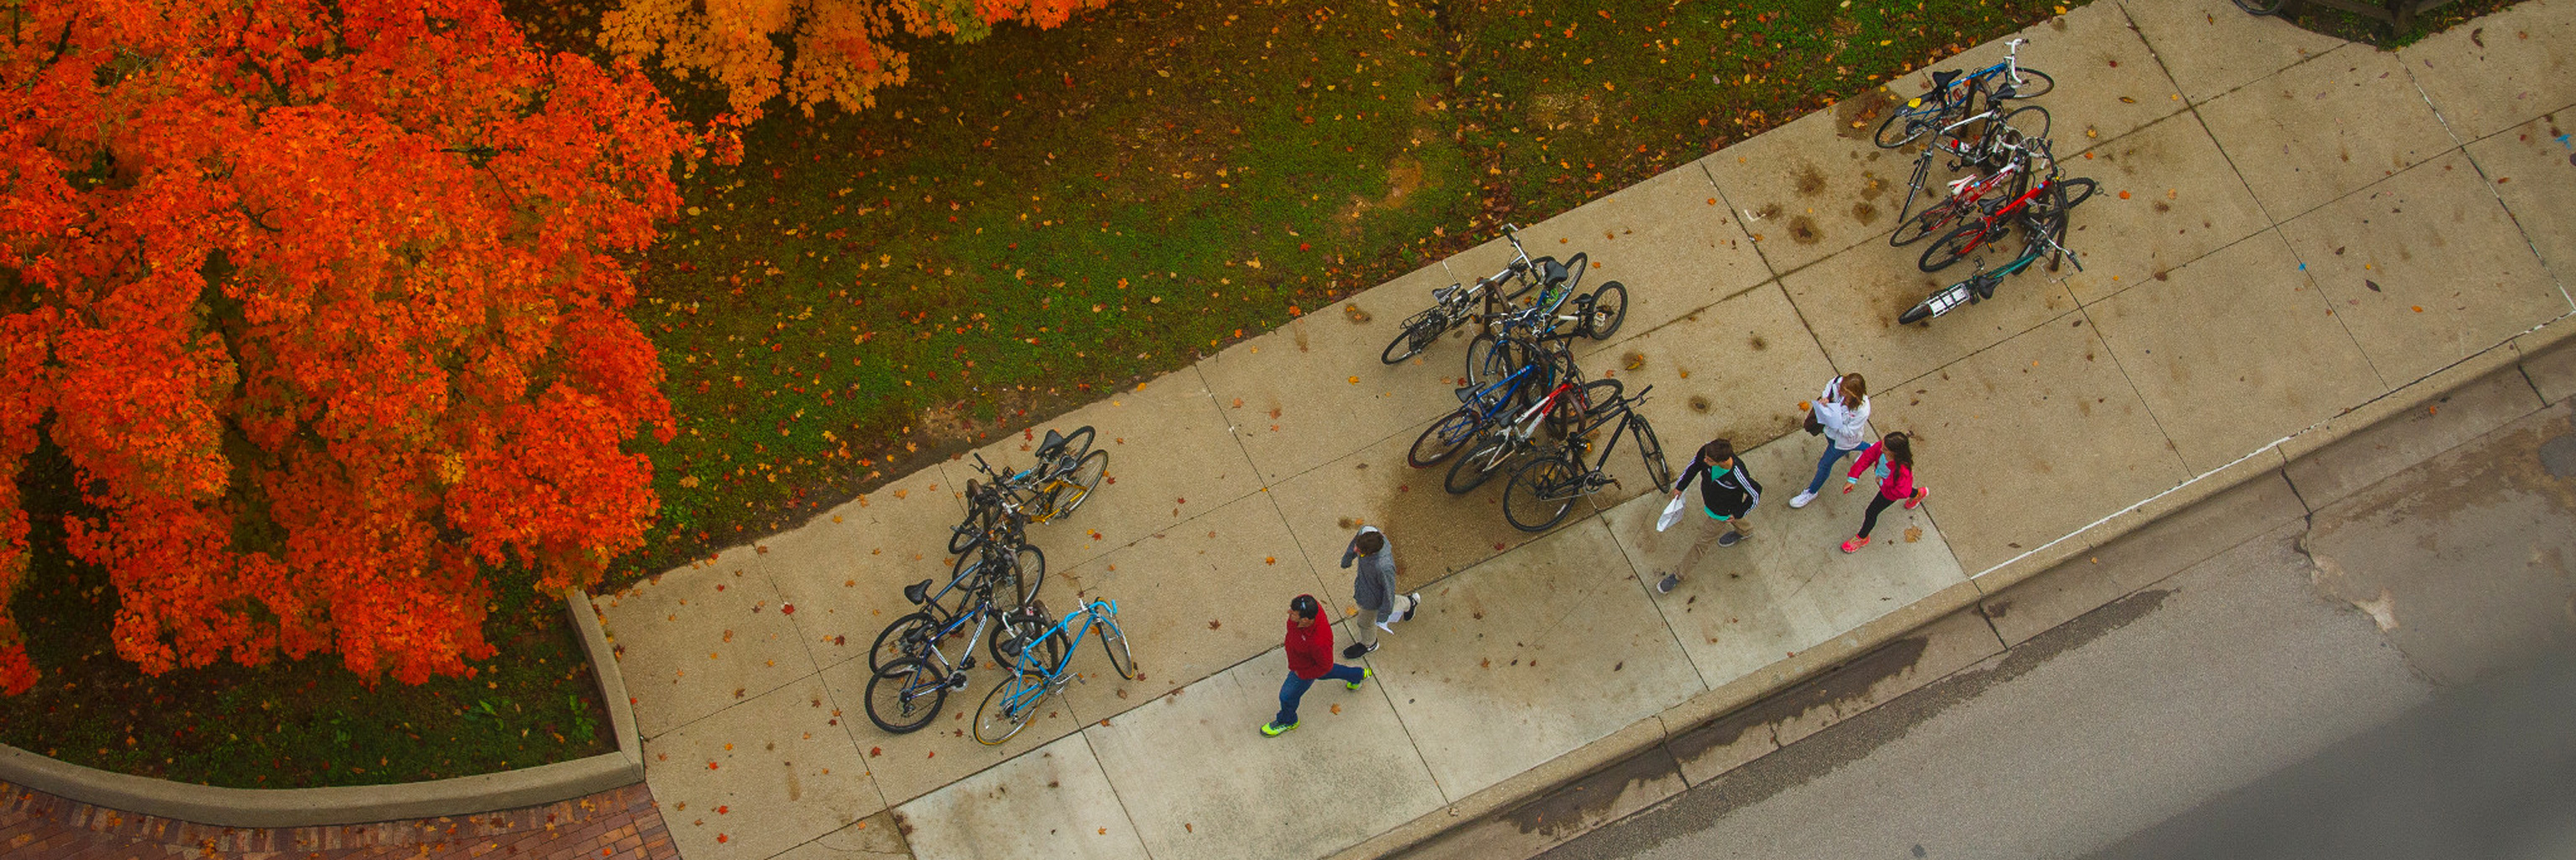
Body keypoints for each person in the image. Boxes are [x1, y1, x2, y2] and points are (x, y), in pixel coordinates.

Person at [1655, 438, 1761, 594]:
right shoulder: (1708, 451)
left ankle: (1678, 576)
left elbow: (1755, 493)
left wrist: (1738, 512)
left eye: (1709, 460)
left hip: (1721, 513)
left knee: (1700, 545)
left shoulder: (1738, 475)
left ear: (1722, 461)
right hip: (1711, 501)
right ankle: (1746, 531)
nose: (1705, 461)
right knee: (1734, 518)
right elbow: (1694, 466)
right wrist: (1680, 487)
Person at [1262, 594, 1371, 737]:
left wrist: (1302, 675)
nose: (1288, 612)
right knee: (1329, 671)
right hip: (1304, 659)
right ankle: (1358, 675)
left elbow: (1324, 666)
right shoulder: (1307, 603)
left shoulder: (1319, 642)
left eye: (1293, 613)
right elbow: (1326, 667)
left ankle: (1288, 721)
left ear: (1305, 620)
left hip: (1303, 669)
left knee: (1287, 696)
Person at [1340, 526, 1421, 659]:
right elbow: (1354, 544)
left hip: (1372, 599)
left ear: (1371, 553)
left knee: (1365, 622)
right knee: (1389, 605)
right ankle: (1410, 602)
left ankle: (1369, 644)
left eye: (1359, 551)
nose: (1356, 550)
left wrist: (1383, 617)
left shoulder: (1383, 567)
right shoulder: (1366, 532)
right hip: (1365, 587)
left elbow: (1388, 592)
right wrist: (1348, 558)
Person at [1791, 373, 1870, 509]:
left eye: (1846, 393)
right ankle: (1869, 449)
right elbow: (1830, 387)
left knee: (1824, 465)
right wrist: (1825, 398)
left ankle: (1811, 492)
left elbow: (1849, 432)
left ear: (1855, 395)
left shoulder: (1862, 411)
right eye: (1842, 389)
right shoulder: (1838, 383)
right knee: (1856, 445)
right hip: (1830, 432)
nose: (1841, 393)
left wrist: (1833, 422)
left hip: (1841, 442)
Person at [1841, 431, 1927, 553]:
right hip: (1886, 483)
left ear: (1894, 452)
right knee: (1907, 490)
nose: (1880, 448)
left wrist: (1882, 483)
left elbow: (1900, 492)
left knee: (1871, 512)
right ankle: (1918, 494)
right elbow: (1867, 457)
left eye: (1885, 448)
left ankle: (1862, 537)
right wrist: (1853, 478)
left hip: (1889, 492)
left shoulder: (1902, 471)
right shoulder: (1882, 447)